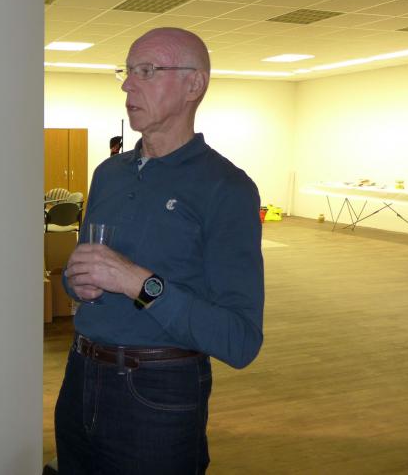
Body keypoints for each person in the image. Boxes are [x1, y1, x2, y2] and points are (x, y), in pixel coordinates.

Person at [55, 28, 264, 474]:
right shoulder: (108, 173)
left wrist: (138, 283)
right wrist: (78, 283)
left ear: (194, 85)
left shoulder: (227, 188)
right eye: (127, 72)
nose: (128, 85)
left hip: (158, 392)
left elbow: (240, 340)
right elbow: (81, 277)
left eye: (146, 71)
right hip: (80, 375)